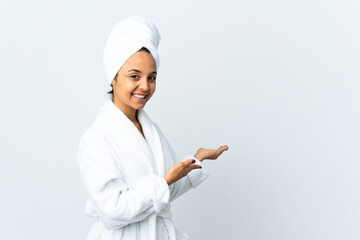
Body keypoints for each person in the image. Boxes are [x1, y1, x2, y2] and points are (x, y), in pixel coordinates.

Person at [77, 16, 229, 240]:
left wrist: (196, 160)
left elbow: (165, 192)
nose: (145, 86)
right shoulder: (96, 140)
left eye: (152, 77)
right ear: (113, 77)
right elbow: (112, 210)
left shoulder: (149, 130)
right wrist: (166, 181)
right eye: (134, 76)